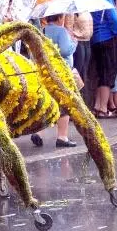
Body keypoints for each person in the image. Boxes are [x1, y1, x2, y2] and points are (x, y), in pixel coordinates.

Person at [30, 0, 64, 147]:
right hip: (50, 57)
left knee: (48, 97)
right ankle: (60, 136)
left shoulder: (57, 2)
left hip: (45, 56)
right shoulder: (43, 2)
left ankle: (39, 131)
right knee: (61, 99)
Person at [43, 13, 78, 148]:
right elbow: (64, 50)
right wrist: (74, 42)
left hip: (46, 71)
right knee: (64, 103)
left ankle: (39, 133)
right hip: (61, 71)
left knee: (47, 102)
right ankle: (62, 137)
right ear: (59, 18)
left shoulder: (42, 31)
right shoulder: (61, 31)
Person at [89, 0, 117, 119]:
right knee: (108, 74)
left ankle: (96, 106)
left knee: (100, 73)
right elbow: (113, 17)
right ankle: (103, 108)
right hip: (108, 37)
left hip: (94, 40)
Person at [64, 0, 93, 85]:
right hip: (78, 42)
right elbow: (68, 25)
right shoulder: (73, 3)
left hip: (87, 41)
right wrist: (72, 41)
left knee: (84, 71)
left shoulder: (86, 2)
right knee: (77, 71)